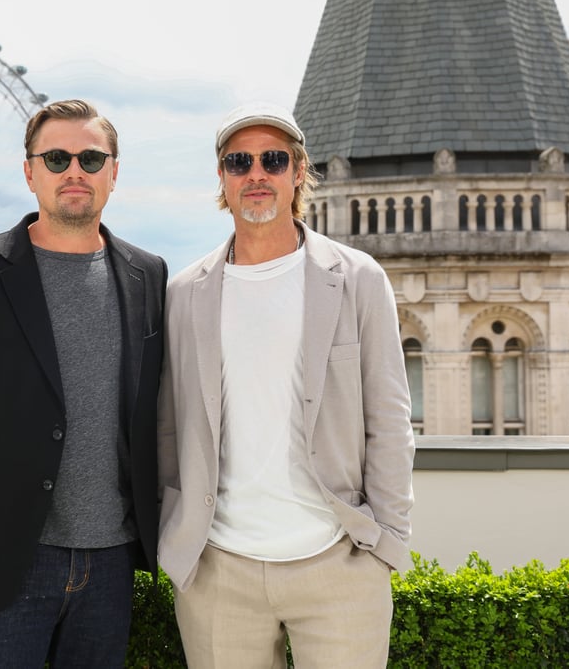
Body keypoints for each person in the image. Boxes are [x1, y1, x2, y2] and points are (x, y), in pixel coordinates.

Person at [156, 102, 414, 668]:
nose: (256, 174)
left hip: (338, 562)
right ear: (222, 179)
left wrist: (384, 541)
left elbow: (390, 417)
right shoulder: (183, 293)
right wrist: (177, 530)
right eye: (238, 162)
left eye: (272, 160)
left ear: (298, 172)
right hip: (218, 570)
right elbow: (169, 426)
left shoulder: (358, 279)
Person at [0, 99, 167, 668]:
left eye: (91, 158)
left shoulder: (148, 274)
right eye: (56, 158)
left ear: (114, 172)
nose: (74, 171)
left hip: (113, 561)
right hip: (10, 558)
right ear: (30, 172)